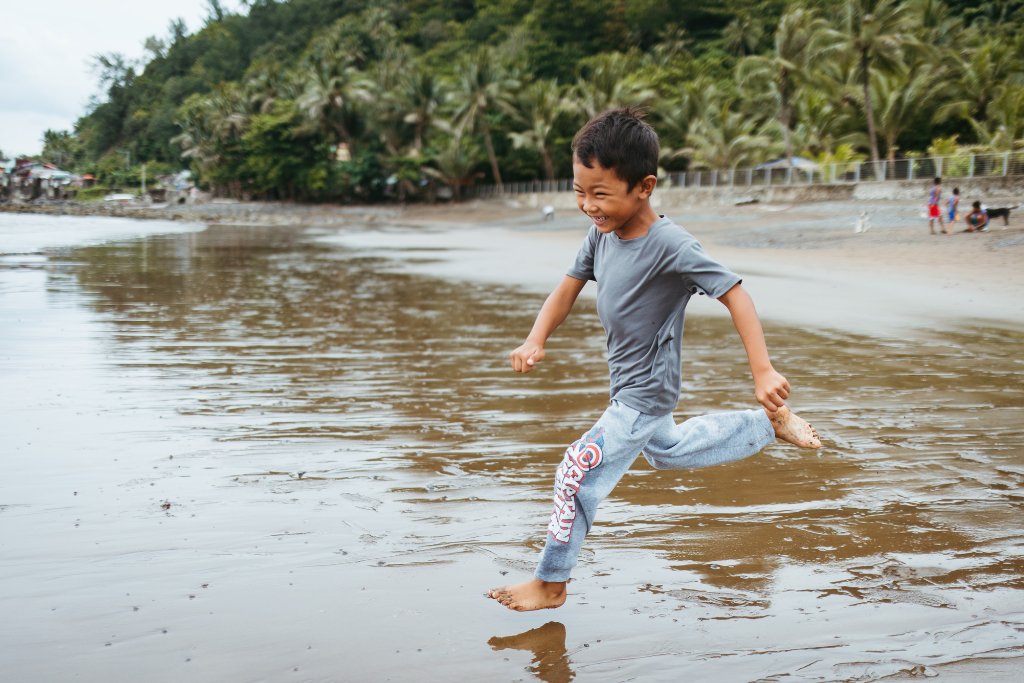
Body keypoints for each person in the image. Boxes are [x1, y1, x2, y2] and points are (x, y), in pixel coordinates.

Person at [488, 107, 821, 612]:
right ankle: (765, 427)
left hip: (644, 391)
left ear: (644, 186)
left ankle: (551, 582)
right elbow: (565, 290)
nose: (588, 205)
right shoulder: (601, 234)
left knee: (575, 471)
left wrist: (763, 370)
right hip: (631, 386)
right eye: (579, 192)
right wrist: (536, 338)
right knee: (667, 449)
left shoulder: (670, 245)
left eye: (600, 194)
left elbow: (736, 295)